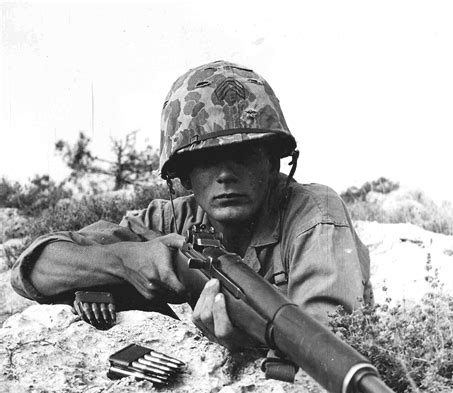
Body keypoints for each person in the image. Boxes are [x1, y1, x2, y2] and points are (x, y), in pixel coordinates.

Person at [11, 60, 372, 351]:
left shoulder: (314, 214)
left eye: (244, 155)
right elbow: (33, 271)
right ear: (182, 176)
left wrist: (251, 339)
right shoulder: (173, 218)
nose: (226, 174)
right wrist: (125, 262)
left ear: (272, 162)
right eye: (208, 159)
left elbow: (333, 346)